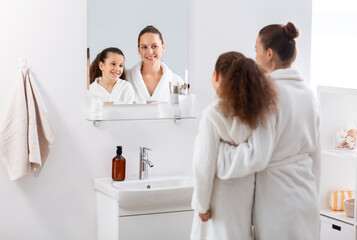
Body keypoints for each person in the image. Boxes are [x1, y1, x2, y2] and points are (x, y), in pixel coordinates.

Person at [216, 22, 321, 239]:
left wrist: (220, 157)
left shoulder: (267, 94)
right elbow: (317, 158)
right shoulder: (309, 94)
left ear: (269, 53)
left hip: (277, 200)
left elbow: (257, 155)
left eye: (257, 51)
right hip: (308, 197)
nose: (255, 57)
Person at [190, 51, 279, 240]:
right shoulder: (254, 112)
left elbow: (204, 165)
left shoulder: (213, 115)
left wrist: (201, 205)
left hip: (218, 196)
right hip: (244, 194)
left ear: (216, 76)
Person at [126, 25, 184, 103]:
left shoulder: (177, 82)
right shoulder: (126, 78)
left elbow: (183, 113)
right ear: (139, 50)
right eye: (144, 47)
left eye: (154, 46)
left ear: (163, 47)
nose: (150, 52)